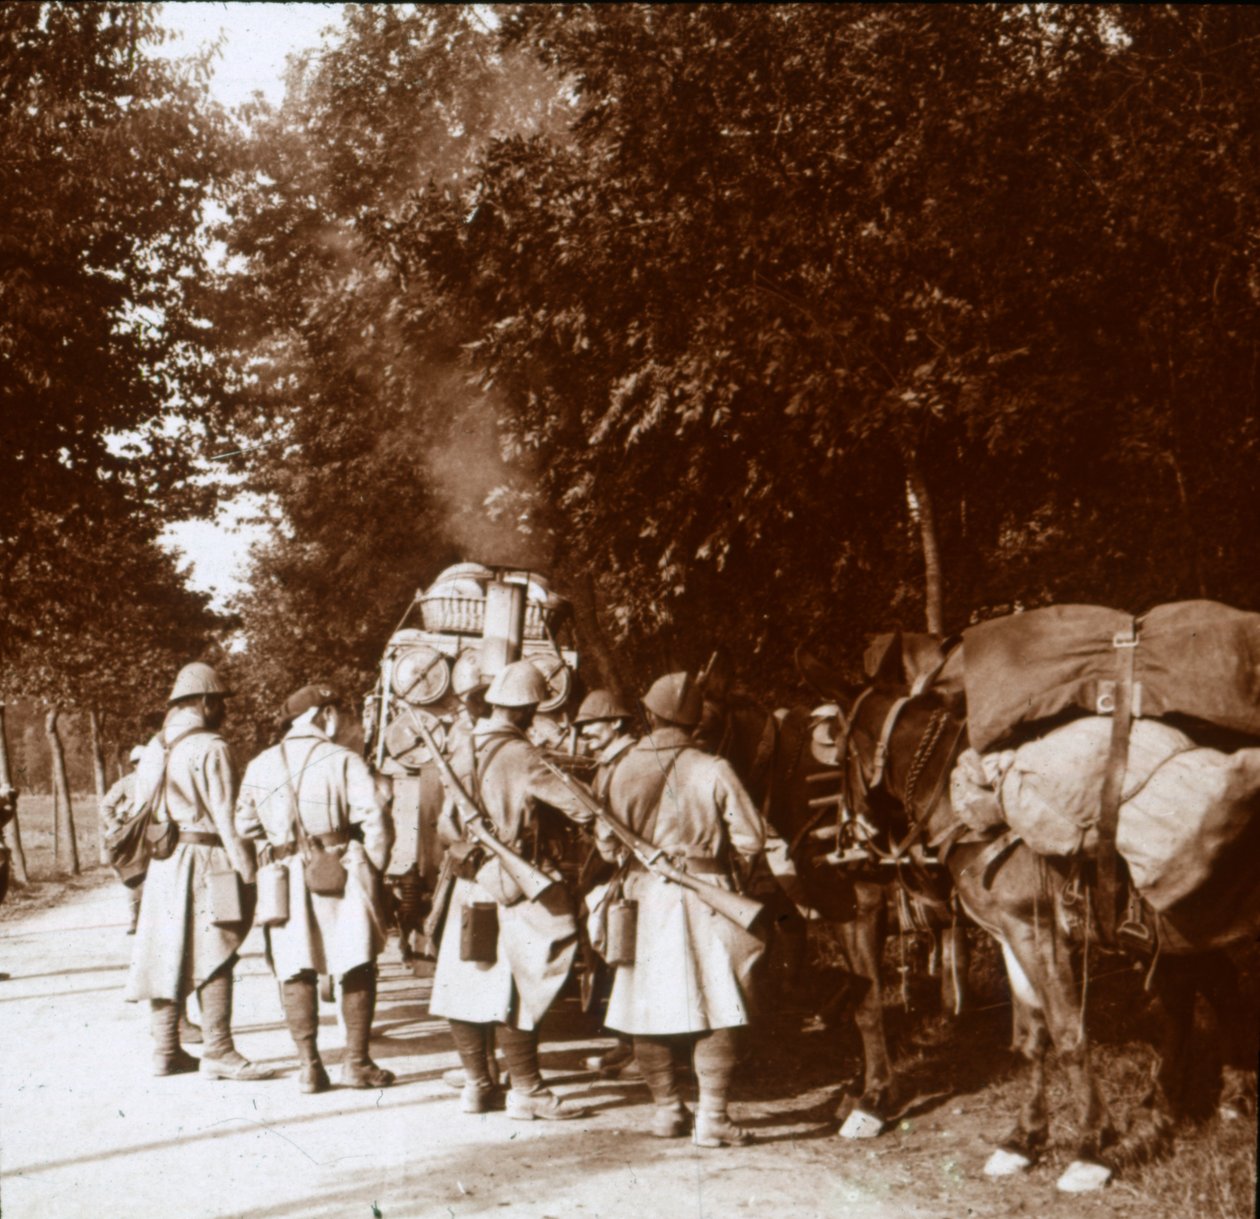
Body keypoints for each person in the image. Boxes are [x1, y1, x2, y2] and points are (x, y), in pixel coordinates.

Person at [597, 670, 811, 1146]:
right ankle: (712, 1117)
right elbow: (752, 839)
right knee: (721, 1004)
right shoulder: (712, 768)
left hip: (642, 895)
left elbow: (608, 847)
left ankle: (667, 1111)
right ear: (694, 721)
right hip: (705, 894)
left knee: (641, 1007)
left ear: (650, 714)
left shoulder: (620, 768)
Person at [428, 659, 596, 1120]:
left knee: (466, 983)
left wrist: (473, 848)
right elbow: (582, 809)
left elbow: (445, 824)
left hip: (470, 881)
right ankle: (528, 1091)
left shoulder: (460, 749)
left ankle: (479, 1086)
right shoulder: (524, 755)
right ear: (525, 709)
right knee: (524, 980)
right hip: (518, 881)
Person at [235, 684, 395, 1093]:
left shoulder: (262, 764)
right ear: (325, 715)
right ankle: (356, 1064)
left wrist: (277, 840)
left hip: (285, 875)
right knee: (357, 963)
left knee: (294, 967)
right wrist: (372, 867)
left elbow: (243, 826)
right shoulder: (344, 760)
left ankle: (309, 1068)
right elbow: (374, 817)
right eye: (336, 711)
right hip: (339, 867)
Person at [124, 662, 270, 1080]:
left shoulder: (155, 747)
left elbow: (140, 809)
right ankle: (220, 1051)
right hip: (209, 859)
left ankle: (166, 1050)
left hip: (164, 862)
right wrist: (248, 872)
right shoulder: (212, 746)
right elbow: (228, 818)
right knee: (218, 949)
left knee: (165, 951)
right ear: (206, 702)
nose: (224, 709)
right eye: (220, 702)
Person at [573, 689, 639, 1078]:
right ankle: (626, 1043)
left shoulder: (629, 762)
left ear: (615, 722)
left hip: (626, 868)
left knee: (627, 954)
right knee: (616, 957)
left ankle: (639, 1049)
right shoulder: (610, 761)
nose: (585, 734)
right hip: (610, 869)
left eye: (592, 725)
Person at [101, 745, 148, 934]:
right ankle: (136, 919)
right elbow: (106, 805)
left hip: (156, 832)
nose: (141, 766)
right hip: (132, 835)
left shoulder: (162, 781)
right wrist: (115, 826)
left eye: (145, 762)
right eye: (138, 763)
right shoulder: (126, 783)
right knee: (133, 874)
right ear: (134, 764)